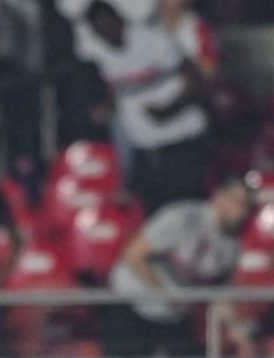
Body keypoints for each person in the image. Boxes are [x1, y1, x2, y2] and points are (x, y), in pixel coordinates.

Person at [78, 0, 210, 214]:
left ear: (119, 20)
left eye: (107, 24)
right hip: (145, 147)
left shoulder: (152, 40)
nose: (106, 32)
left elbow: (196, 79)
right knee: (154, 210)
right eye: (98, 30)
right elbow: (118, 89)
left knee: (189, 204)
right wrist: (106, 108)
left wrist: (171, 108)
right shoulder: (102, 55)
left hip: (182, 137)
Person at [107, 176, 256, 358]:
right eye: (237, 202)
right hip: (131, 299)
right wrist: (164, 293)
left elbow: (220, 295)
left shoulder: (232, 247)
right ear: (219, 197)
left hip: (175, 315)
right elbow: (133, 254)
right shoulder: (182, 217)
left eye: (247, 205)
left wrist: (239, 333)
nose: (241, 211)